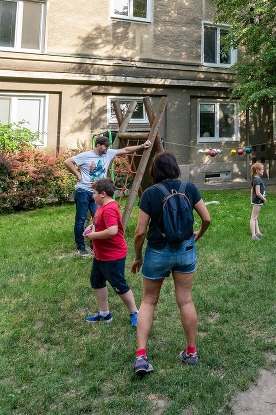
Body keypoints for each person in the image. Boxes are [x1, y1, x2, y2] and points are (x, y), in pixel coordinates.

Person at [131, 152, 212, 376]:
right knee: (185, 301)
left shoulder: (149, 193)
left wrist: (138, 255)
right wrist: (198, 236)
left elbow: (139, 232)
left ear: (154, 171)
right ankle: (191, 352)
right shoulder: (190, 187)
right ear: (175, 167)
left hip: (157, 252)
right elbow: (207, 218)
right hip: (185, 250)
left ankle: (141, 357)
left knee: (148, 302)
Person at [64, 134, 152, 257]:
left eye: (108, 147)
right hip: (83, 191)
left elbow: (126, 150)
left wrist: (142, 146)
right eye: (105, 146)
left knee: (97, 219)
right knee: (81, 219)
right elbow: (68, 161)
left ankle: (94, 245)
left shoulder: (108, 153)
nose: (107, 149)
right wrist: (78, 175)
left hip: (99, 193)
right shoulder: (86, 155)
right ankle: (81, 247)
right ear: (98, 145)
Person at [83, 177, 138, 326]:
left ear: (102, 194)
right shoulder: (101, 206)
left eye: (94, 193)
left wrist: (93, 236)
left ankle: (135, 313)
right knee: (97, 282)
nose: (92, 195)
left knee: (118, 284)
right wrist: (91, 228)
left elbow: (113, 230)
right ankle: (104, 314)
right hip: (101, 255)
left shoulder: (109, 209)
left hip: (113, 255)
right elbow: (99, 224)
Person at [249, 162, 266, 240]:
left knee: (255, 217)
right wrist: (264, 199)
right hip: (258, 201)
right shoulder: (257, 180)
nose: (263, 171)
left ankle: (258, 232)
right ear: (257, 171)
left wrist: (251, 199)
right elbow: (258, 193)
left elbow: (252, 190)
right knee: (253, 218)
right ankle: (253, 235)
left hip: (256, 201)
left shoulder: (255, 179)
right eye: (262, 169)